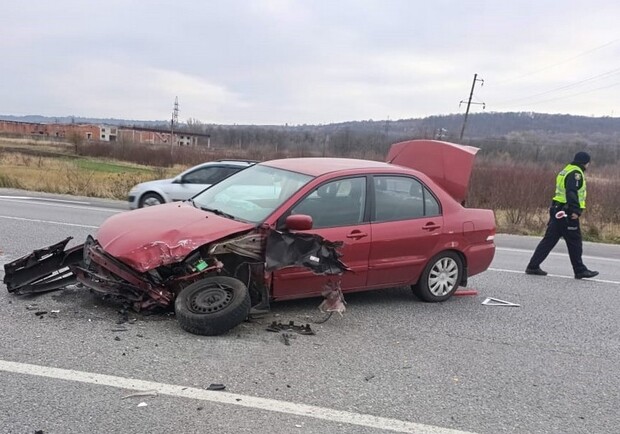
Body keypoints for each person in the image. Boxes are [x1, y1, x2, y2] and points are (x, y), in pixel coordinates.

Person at [525, 151, 599, 279]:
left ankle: (533, 266)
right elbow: (571, 192)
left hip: (558, 209)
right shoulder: (576, 173)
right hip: (567, 211)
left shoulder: (565, 170)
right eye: (588, 163)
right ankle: (580, 270)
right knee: (575, 241)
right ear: (585, 162)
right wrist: (576, 210)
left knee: (549, 240)